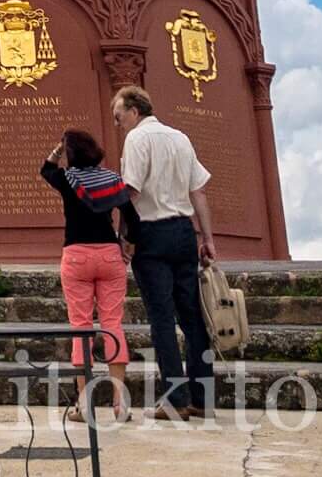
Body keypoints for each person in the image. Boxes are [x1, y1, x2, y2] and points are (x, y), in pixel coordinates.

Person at [111, 85, 218, 417]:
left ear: (134, 111)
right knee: (193, 317)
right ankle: (202, 398)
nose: (117, 123)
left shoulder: (137, 139)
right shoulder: (180, 138)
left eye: (119, 116)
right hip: (184, 232)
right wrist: (207, 238)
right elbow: (198, 191)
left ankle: (175, 399)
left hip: (152, 233)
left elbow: (130, 192)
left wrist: (123, 236)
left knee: (161, 318)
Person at [41, 129, 133, 422]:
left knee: (80, 327)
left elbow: (45, 170)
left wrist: (57, 151)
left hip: (77, 255)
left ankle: (84, 406)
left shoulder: (67, 179)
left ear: (70, 154)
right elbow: (132, 217)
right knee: (113, 324)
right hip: (109, 255)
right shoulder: (111, 179)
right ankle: (120, 404)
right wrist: (126, 243)